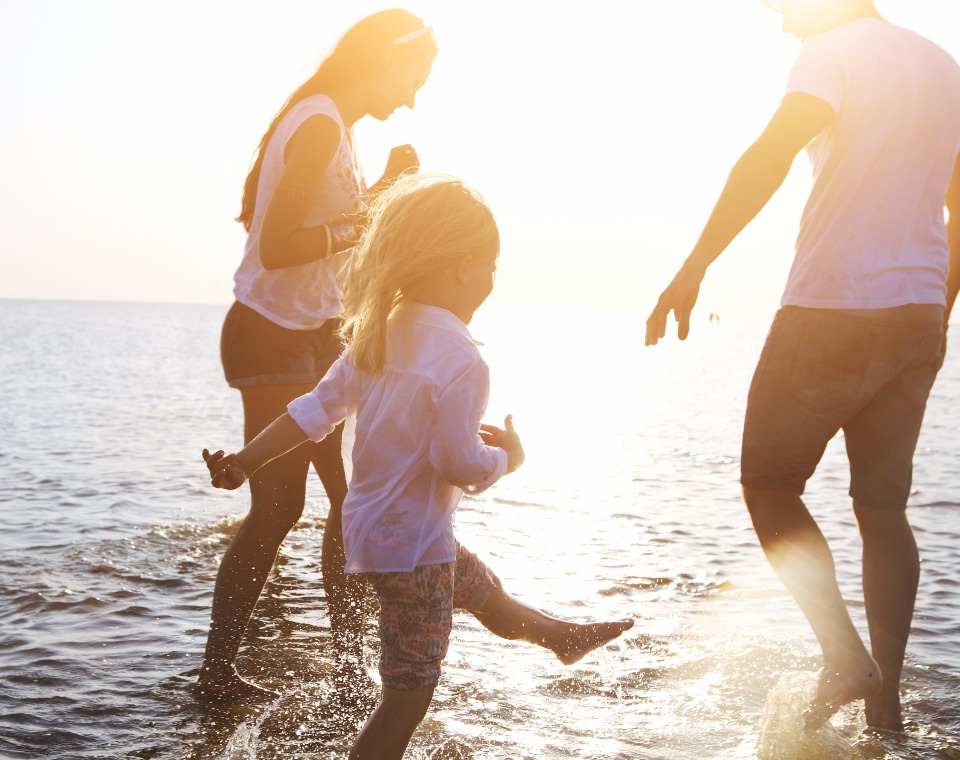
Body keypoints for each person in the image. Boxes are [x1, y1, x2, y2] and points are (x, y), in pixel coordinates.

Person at [203, 174, 634, 758]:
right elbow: (457, 463)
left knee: (482, 591)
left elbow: (312, 414)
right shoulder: (461, 359)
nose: (491, 280)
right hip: (416, 553)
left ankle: (560, 637)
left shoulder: (376, 336)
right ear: (461, 267)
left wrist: (245, 462)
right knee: (406, 698)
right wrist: (508, 457)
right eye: (491, 266)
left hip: (371, 536)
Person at [645, 0, 960, 732]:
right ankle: (885, 708)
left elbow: (770, 154)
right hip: (915, 315)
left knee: (770, 486)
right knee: (883, 511)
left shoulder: (831, 53)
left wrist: (694, 266)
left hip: (831, 308)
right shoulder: (945, 66)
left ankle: (845, 657)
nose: (775, 14)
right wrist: (935, 307)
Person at [200, 9, 439, 703]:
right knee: (279, 510)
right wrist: (369, 213)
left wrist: (378, 192)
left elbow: (316, 230)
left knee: (350, 498)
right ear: (384, 60)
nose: (413, 98)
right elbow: (277, 246)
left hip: (314, 331)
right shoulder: (320, 122)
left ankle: (347, 668)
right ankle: (216, 678)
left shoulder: (332, 124)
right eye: (414, 78)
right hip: (271, 330)